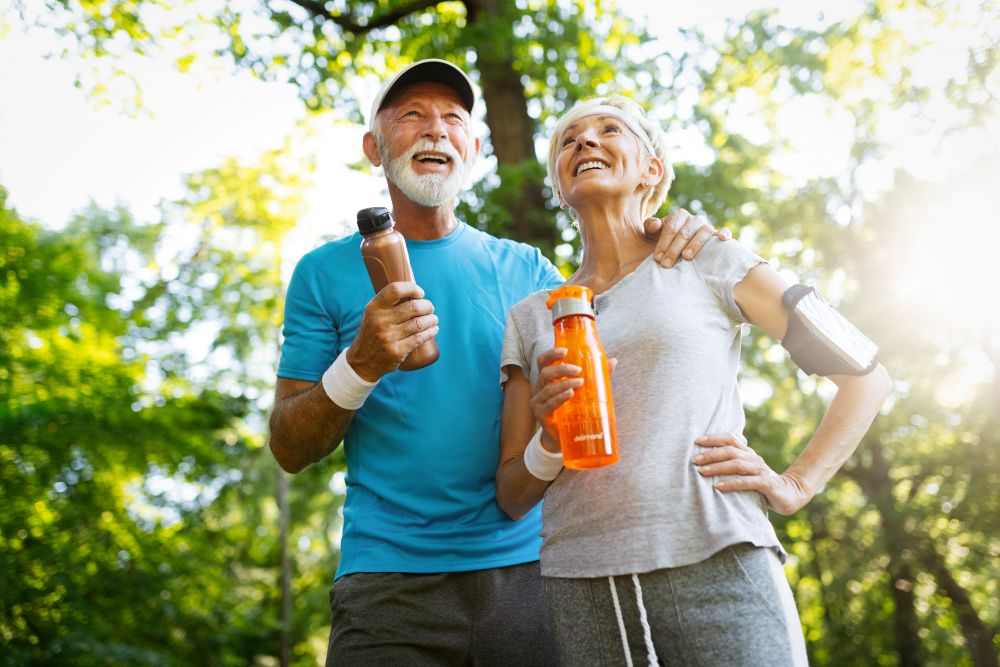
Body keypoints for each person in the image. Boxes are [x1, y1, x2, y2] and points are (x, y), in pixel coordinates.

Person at [267, 60, 726, 665]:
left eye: (453, 118)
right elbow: (289, 447)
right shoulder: (321, 273)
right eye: (411, 115)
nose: (435, 129)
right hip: (386, 586)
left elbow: (617, 372)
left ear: (474, 149)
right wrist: (359, 365)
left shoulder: (530, 272)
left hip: (533, 573)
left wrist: (665, 227)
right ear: (373, 148)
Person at [496, 95, 893, 666]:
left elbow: (866, 376)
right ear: (559, 189)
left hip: (719, 559)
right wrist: (552, 439)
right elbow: (512, 495)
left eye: (609, 129)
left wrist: (796, 483)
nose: (584, 141)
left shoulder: (708, 259)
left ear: (651, 170)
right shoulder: (532, 317)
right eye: (568, 140)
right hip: (584, 587)